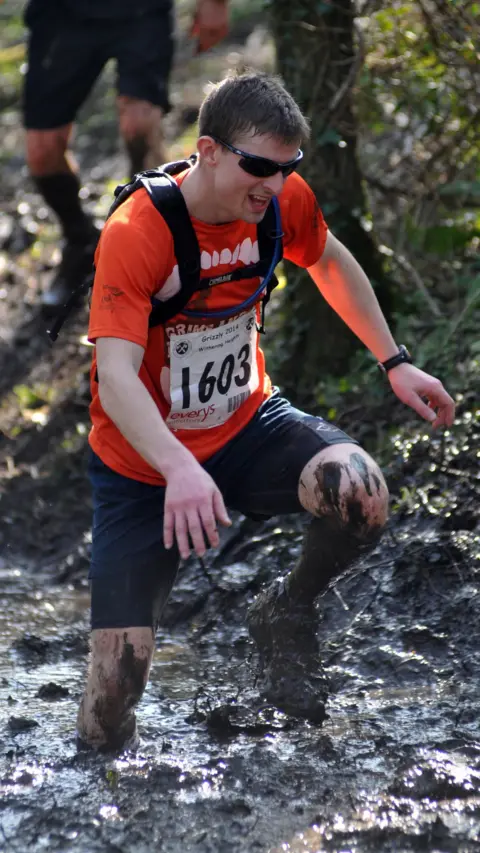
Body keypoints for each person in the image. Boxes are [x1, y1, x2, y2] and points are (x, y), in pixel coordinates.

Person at [77, 71, 455, 751]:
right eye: (259, 168)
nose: (274, 187)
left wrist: (395, 362)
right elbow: (115, 376)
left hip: (249, 426)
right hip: (142, 466)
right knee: (112, 697)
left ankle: (286, 610)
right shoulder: (139, 230)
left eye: (288, 170)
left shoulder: (280, 201)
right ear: (209, 150)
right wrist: (176, 465)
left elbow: (330, 259)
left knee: (361, 490)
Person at [22, 0, 229, 313]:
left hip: (142, 12)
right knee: (42, 151)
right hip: (60, 15)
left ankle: (150, 247)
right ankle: (80, 241)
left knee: (140, 127)